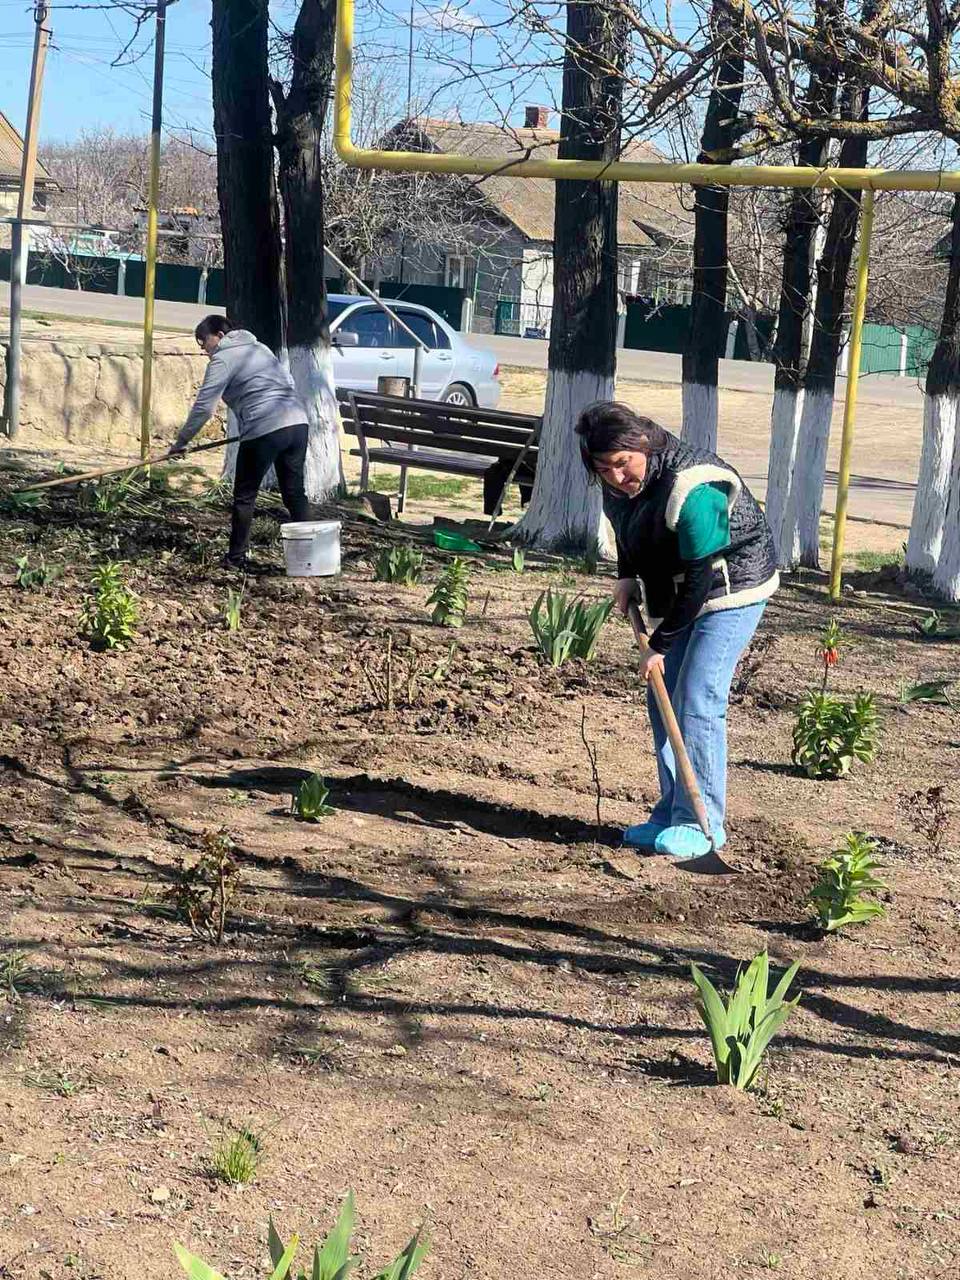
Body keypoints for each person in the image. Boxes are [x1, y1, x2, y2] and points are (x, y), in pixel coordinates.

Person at [576, 401, 779, 859]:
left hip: (732, 586)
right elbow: (628, 527)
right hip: (681, 587)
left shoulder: (694, 487)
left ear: (640, 443)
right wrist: (627, 573)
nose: (615, 477)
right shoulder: (619, 482)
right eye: (603, 468)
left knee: (698, 696)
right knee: (661, 695)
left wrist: (660, 644)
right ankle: (670, 811)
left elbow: (703, 578)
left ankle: (703, 823)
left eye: (622, 464)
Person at [173, 315, 311, 570]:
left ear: (221, 336)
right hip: (298, 422)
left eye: (204, 342)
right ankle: (309, 560)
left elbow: (204, 407)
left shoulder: (223, 358)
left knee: (245, 496)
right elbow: (288, 382)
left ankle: (236, 557)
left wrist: (181, 442)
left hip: (264, 427)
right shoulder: (260, 348)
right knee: (294, 493)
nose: (204, 350)